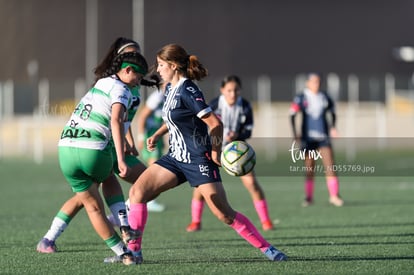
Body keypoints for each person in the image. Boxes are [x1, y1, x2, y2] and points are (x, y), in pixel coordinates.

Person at [107, 44, 287, 264]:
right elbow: (176, 117)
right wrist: (158, 134)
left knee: (224, 214)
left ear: (173, 66)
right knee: (137, 192)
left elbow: (215, 123)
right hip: (175, 158)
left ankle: (269, 249)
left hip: (198, 159)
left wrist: (215, 152)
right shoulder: (170, 88)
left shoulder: (188, 90)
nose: (158, 69)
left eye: (161, 65)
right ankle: (134, 253)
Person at [36, 38, 151, 256]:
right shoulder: (123, 89)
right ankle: (122, 222)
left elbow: (114, 118)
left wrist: (129, 142)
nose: (139, 80)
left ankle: (119, 250)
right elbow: (116, 120)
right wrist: (122, 156)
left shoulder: (104, 82)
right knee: (132, 181)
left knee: (90, 202)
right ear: (124, 65)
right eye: (138, 74)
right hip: (99, 148)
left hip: (67, 148)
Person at [186, 75, 274, 232]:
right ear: (222, 91)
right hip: (214, 148)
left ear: (240, 90)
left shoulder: (245, 106)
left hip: (237, 151)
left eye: (236, 90)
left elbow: (248, 131)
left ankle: (266, 220)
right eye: (229, 90)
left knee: (252, 184)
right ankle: (196, 221)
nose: (233, 94)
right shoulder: (214, 104)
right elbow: (203, 124)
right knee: (201, 187)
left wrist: (237, 134)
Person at [289, 73, 344, 207]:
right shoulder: (301, 98)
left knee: (330, 165)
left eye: (318, 81)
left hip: (323, 137)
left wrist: (333, 127)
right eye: (313, 82)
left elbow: (333, 112)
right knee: (309, 168)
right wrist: (295, 133)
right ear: (308, 83)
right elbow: (292, 114)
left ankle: (334, 195)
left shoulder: (324, 97)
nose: (316, 84)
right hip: (308, 139)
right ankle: (309, 197)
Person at [135, 84, 167, 212]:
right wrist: (141, 137)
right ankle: (148, 199)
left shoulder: (168, 97)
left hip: (156, 134)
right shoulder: (157, 97)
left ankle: (147, 198)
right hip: (150, 134)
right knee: (154, 167)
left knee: (155, 166)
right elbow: (143, 116)